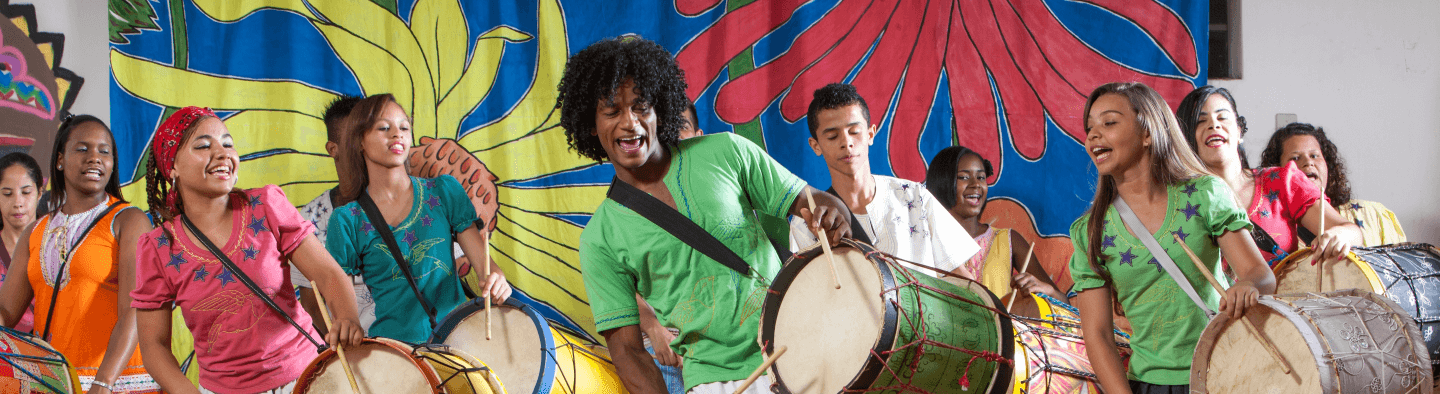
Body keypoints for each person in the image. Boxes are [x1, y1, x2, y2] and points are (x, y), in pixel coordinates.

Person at [558, 37, 852, 394]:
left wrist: (830, 213)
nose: (630, 123)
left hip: (801, 348)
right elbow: (628, 352)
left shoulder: (726, 152)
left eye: (641, 107)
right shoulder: (600, 238)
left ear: (659, 112)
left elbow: (816, 202)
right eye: (612, 111)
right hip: (719, 383)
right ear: (591, 124)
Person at [132, 107, 363, 394]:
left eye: (227, 143)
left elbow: (328, 274)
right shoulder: (158, 247)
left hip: (307, 379)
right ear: (173, 167)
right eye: (204, 145)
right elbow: (153, 344)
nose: (222, 153)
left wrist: (347, 318)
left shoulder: (266, 206)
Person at [1070, 82, 1274, 394]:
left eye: (1109, 122)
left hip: (1225, 373)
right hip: (1150, 385)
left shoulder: (1205, 194)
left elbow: (1261, 275)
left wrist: (1247, 286)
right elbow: (1097, 334)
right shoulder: (1091, 230)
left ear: (1148, 133)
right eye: (1089, 127)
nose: (1093, 135)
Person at [325, 94, 512, 344]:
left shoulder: (444, 191)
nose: (397, 134)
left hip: (459, 344)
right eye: (384, 128)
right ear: (359, 140)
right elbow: (345, 313)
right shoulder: (347, 221)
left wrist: (497, 280)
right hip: (398, 358)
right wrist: (346, 324)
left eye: (404, 127)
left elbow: (486, 267)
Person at [0, 115, 159, 393]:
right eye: (83, 149)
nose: (95, 158)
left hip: (117, 384)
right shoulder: (35, 232)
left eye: (104, 151)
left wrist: (102, 384)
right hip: (55, 383)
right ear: (60, 160)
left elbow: (135, 312)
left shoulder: (129, 221)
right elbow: (6, 311)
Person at [788, 83, 980, 279]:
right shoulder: (810, 219)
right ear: (815, 145)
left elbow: (962, 279)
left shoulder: (914, 197)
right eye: (832, 136)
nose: (846, 142)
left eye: (854, 131)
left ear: (870, 134)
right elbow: (810, 297)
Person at [1174, 86, 1361, 266]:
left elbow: (1354, 233)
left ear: (1239, 131)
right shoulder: (1178, 204)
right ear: (1186, 139)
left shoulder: (1282, 181)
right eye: (1201, 121)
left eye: (1222, 117)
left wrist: (1341, 235)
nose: (1214, 125)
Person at [925, 145, 1066, 302]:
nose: (976, 184)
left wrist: (1049, 291)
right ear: (941, 182)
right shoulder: (924, 242)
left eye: (981, 177)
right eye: (964, 177)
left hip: (1002, 327)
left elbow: (1064, 304)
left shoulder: (1009, 239)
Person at [291, 95, 379, 334]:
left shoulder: (410, 199)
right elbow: (311, 303)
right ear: (333, 149)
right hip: (353, 354)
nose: (365, 146)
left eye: (369, 135)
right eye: (355, 138)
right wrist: (348, 348)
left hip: (414, 345)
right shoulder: (310, 217)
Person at [1258, 122, 1405, 246]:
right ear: (1277, 171)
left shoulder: (1373, 215)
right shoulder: (1272, 231)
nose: (1308, 162)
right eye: (1296, 158)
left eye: (1314, 156)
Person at [0, 152, 41, 333]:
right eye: (7, 194)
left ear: (40, 192)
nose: (18, 202)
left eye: (26, 192)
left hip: (56, 354)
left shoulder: (59, 245)